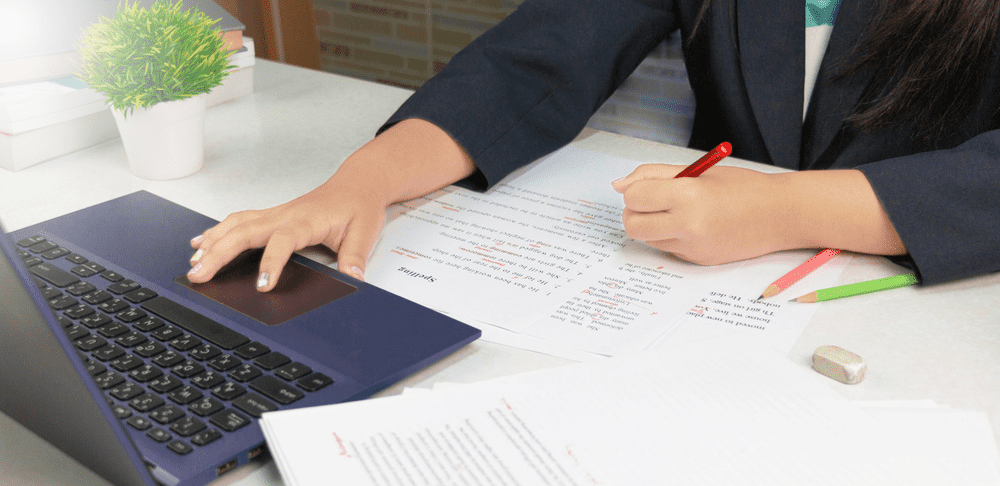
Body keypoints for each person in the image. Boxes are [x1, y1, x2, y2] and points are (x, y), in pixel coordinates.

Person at [187, 0, 1000, 292]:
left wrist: (781, 208)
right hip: (711, 304)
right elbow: (534, 59)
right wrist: (362, 182)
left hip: (929, 299)